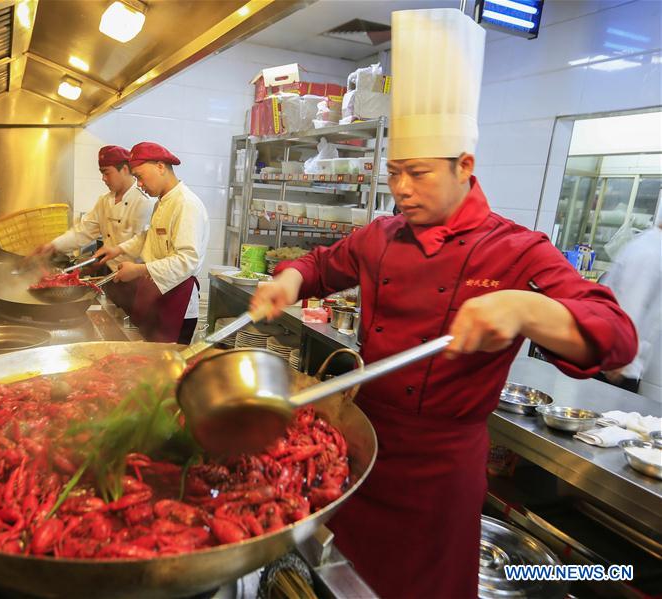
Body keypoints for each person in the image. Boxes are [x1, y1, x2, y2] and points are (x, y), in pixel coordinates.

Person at [250, 9, 637, 598]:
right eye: (395, 172)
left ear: (465, 166)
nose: (401, 188)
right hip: (362, 448)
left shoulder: (516, 248)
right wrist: (289, 282)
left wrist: (528, 311)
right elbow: (319, 265)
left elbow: (615, 336)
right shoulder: (379, 237)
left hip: (442, 469)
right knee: (345, 580)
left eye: (419, 174)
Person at [95, 142, 209, 344]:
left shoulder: (186, 204)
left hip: (177, 303)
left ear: (160, 166)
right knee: (149, 364)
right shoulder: (163, 202)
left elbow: (187, 260)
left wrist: (139, 270)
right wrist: (117, 249)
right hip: (158, 297)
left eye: (139, 176)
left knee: (167, 369)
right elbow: (149, 236)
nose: (138, 184)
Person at [39, 145, 153, 313]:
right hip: (111, 279)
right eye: (102, 173)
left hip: (135, 283)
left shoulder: (144, 203)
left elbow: (142, 246)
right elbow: (83, 230)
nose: (103, 179)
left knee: (128, 329)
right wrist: (53, 245)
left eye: (107, 173)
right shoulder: (105, 201)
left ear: (125, 169)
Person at [600, 222, 662, 394]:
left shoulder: (653, 247)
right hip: (616, 367)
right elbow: (630, 304)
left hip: (622, 363)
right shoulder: (650, 252)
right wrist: (619, 359)